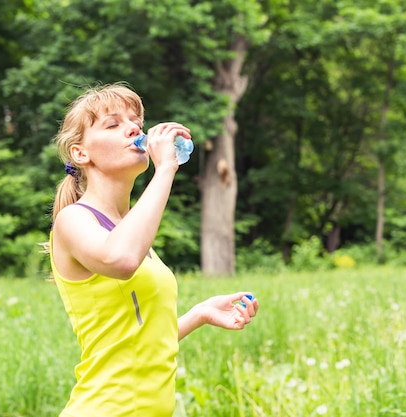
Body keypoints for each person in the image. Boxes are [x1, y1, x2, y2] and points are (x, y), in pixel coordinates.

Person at [47, 83, 258, 417]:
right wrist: (165, 168)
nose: (134, 128)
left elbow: (138, 343)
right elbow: (122, 260)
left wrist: (200, 314)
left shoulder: (132, 230)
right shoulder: (73, 221)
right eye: (113, 124)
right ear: (80, 153)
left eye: (136, 121)